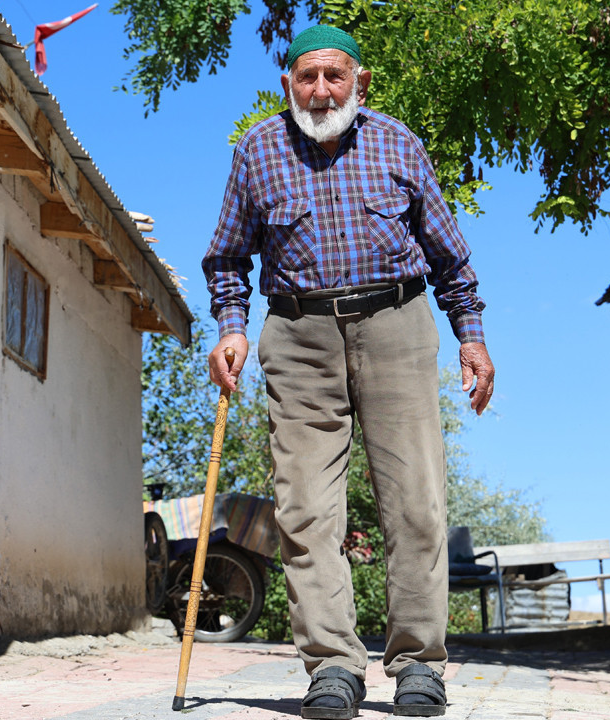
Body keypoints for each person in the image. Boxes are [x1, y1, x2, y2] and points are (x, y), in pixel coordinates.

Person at [201, 24, 495, 719]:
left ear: (360, 82)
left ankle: (420, 665)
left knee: (416, 504)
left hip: (396, 326)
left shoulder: (398, 143)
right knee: (305, 510)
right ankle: (333, 666)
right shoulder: (258, 151)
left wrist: (472, 340)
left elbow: (451, 259)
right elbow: (226, 259)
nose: (322, 89)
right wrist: (232, 330)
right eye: (308, 77)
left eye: (335, 76)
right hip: (298, 335)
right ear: (288, 85)